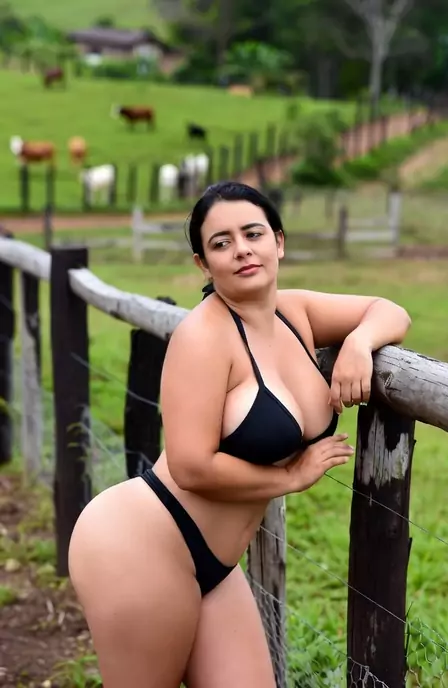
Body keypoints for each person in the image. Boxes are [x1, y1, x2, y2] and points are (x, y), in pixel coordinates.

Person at [68, 181, 411, 688]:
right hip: (142, 546)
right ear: (203, 264)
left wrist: (360, 343)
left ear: (279, 241)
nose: (242, 250)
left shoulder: (295, 313)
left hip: (218, 566)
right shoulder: (203, 337)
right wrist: (289, 479)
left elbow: (390, 310)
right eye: (221, 243)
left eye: (253, 234)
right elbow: (190, 466)